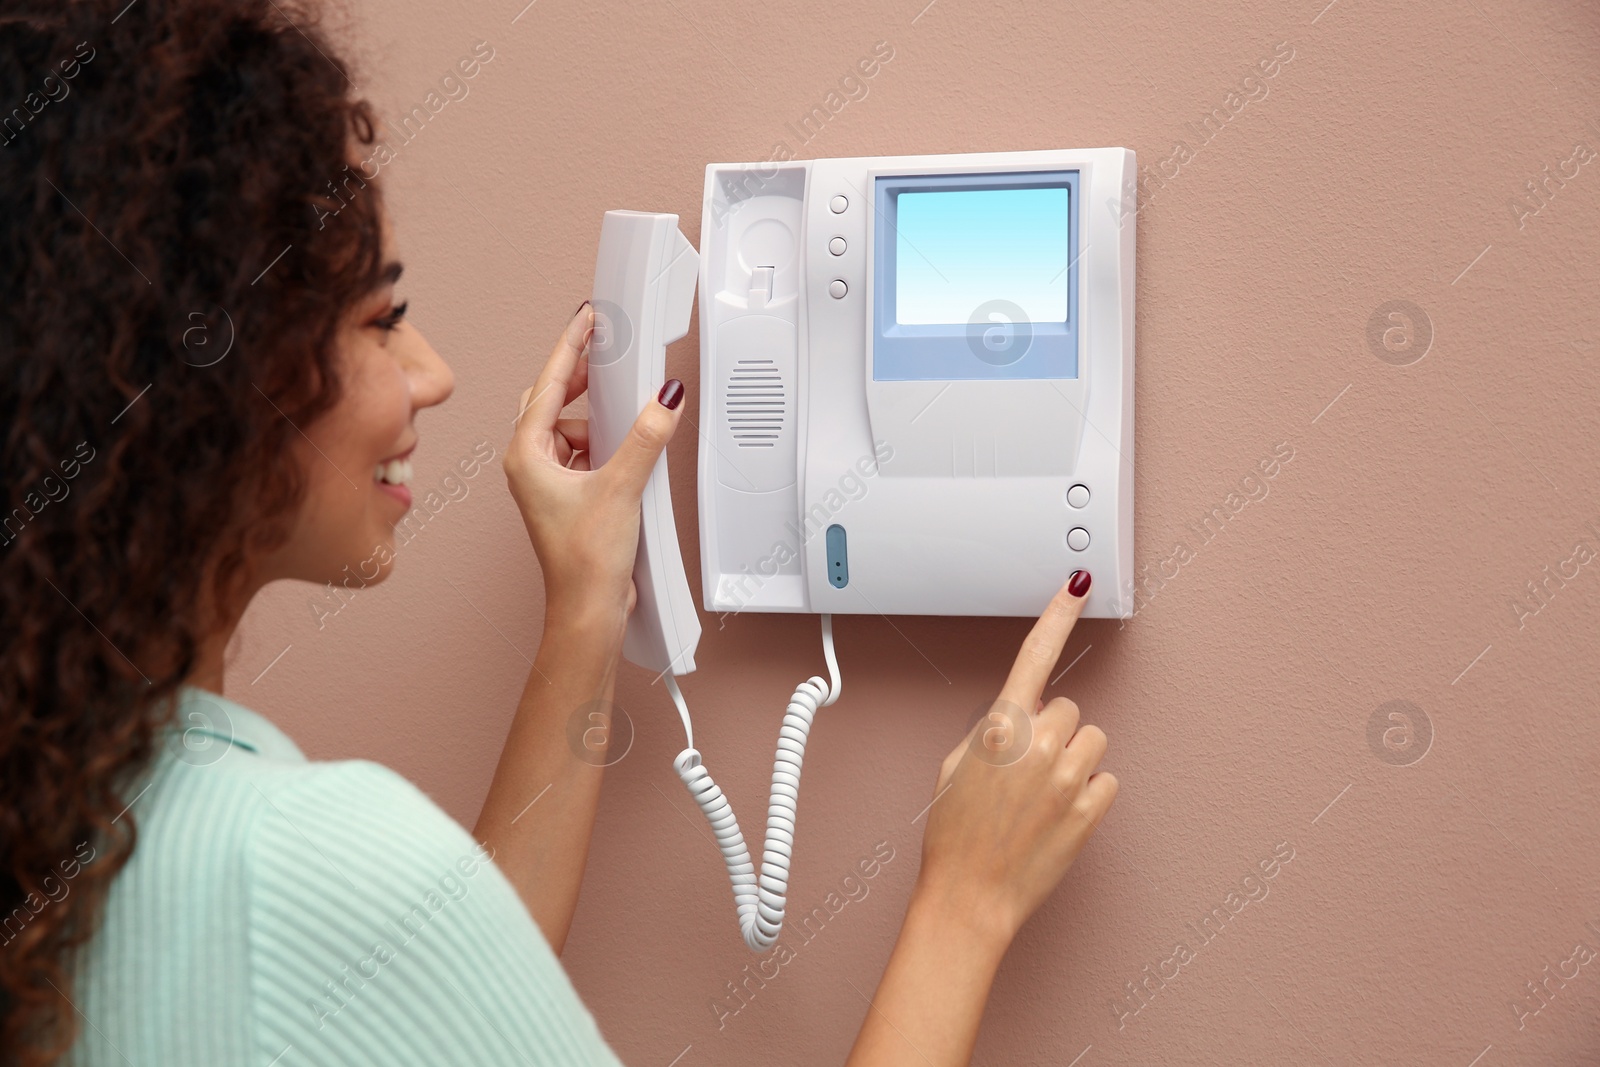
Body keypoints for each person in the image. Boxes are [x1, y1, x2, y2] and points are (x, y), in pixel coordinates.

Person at [0, 1, 1118, 1064]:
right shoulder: (289, 867)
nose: (433, 374)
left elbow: (437, 1015)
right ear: (217, 384)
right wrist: (965, 901)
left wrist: (591, 599)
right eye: (380, 321)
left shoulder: (74, 795)